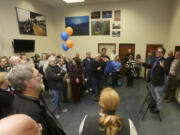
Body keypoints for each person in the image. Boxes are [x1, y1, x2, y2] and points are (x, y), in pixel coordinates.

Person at [7, 63, 66, 135]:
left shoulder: (34, 97)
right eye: (38, 75)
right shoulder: (30, 112)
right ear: (28, 83)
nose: (42, 76)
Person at [150, 47, 166, 113]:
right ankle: (154, 105)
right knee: (153, 95)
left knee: (158, 97)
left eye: (159, 52)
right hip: (153, 80)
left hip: (159, 83)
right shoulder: (154, 59)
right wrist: (143, 63)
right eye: (157, 51)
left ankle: (158, 109)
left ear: (163, 53)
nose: (157, 53)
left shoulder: (165, 61)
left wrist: (163, 67)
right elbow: (150, 66)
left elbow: (168, 71)